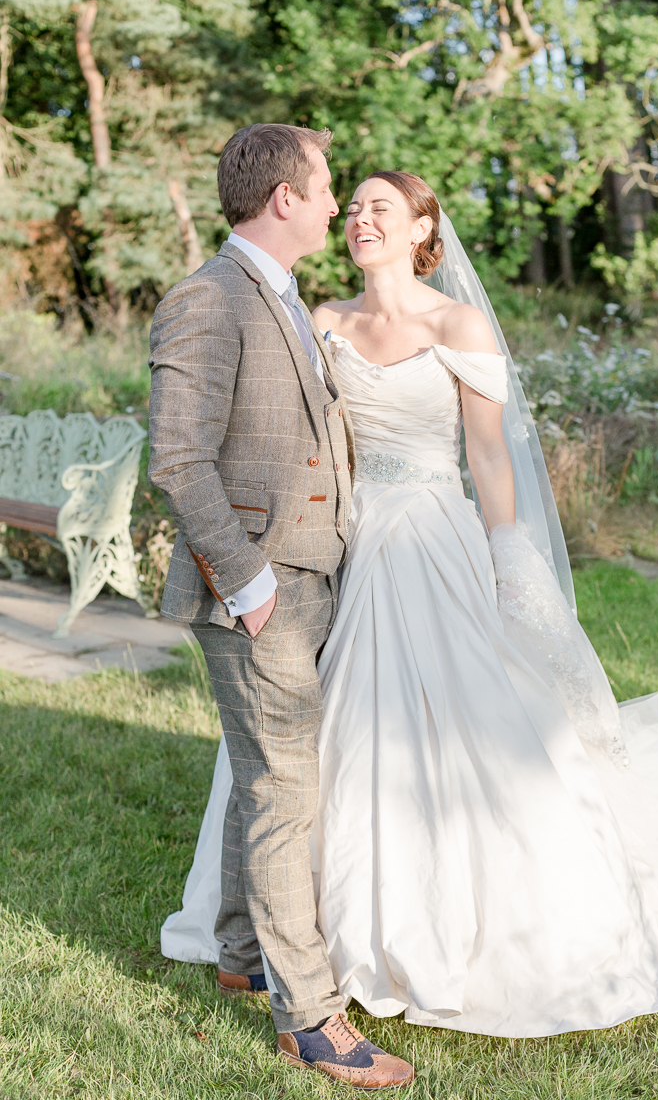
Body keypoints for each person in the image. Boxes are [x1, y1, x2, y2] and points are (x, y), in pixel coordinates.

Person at [162, 168, 658, 1043]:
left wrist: (507, 553)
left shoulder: (456, 324)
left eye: (379, 208)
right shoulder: (323, 321)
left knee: (476, 716)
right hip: (344, 544)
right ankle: (288, 930)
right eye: (349, 207)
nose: (358, 219)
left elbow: (490, 455)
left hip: (434, 536)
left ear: (425, 225)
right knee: (311, 730)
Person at [148, 125, 414, 1089]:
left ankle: (238, 954)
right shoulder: (208, 298)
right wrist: (249, 581)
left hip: (313, 576)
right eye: (330, 187)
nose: (341, 204)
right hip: (260, 587)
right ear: (286, 198)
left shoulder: (285, 295)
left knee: (266, 772)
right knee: (283, 793)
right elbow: (177, 459)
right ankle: (310, 1019)